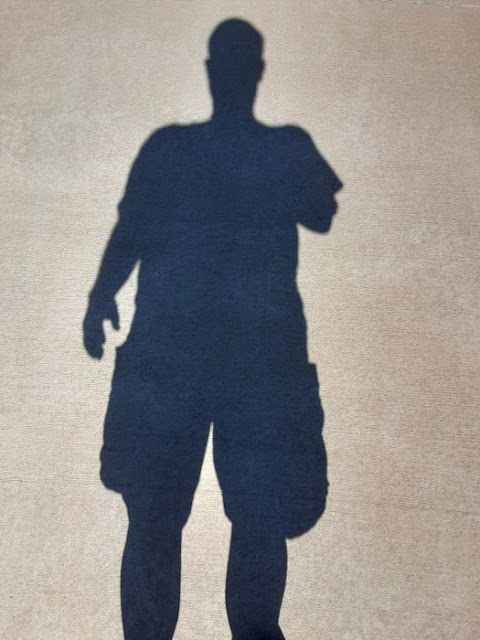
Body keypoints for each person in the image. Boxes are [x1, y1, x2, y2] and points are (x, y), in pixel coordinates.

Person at [83, 18, 342, 640]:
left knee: (229, 517)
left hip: (219, 359)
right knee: (173, 516)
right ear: (253, 72)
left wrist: (100, 296)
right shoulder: (261, 149)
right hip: (225, 360)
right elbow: (133, 228)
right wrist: (99, 295)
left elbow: (320, 210)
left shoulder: (188, 150)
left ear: (220, 72)